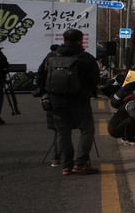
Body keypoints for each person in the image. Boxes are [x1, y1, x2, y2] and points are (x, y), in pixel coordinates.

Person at [40, 28, 101, 175]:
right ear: (80, 40)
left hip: (57, 101)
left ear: (64, 40)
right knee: (86, 129)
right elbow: (94, 80)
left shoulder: (51, 57)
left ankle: (66, 165)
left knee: (62, 133)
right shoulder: (86, 57)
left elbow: (40, 78)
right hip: (80, 100)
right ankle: (81, 164)